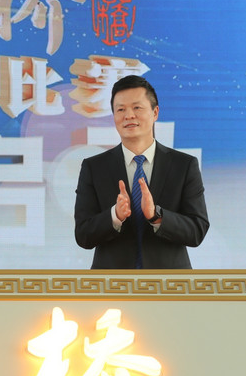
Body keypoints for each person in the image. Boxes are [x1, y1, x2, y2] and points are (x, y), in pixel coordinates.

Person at [74, 75, 209, 269]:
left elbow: (197, 230)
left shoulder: (184, 165)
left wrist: (157, 216)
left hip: (169, 283)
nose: (129, 115)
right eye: (121, 109)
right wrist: (114, 216)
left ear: (155, 112)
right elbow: (83, 235)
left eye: (137, 107)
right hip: (112, 283)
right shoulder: (94, 167)